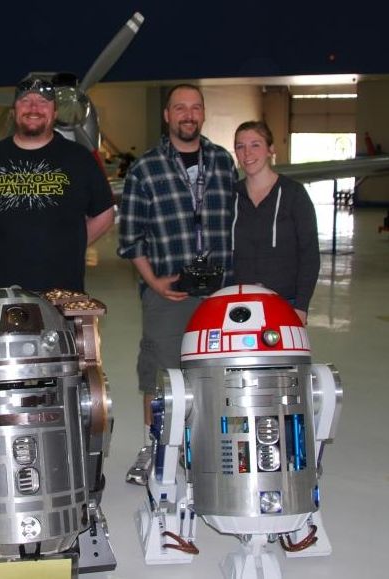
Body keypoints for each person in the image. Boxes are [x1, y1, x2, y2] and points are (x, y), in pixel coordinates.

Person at [118, 84, 237, 484]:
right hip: (167, 295)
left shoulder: (223, 162)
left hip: (218, 296)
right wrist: (154, 282)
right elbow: (130, 237)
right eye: (180, 108)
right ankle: (156, 448)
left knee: (215, 375)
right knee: (160, 378)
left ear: (203, 114)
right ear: (167, 115)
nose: (188, 114)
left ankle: (206, 448)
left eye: (195, 107)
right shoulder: (145, 168)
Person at [0, 76, 115, 292]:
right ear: (13, 111)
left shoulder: (79, 158)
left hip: (63, 292)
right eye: (25, 101)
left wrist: (71, 247)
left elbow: (105, 213)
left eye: (43, 102)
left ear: (55, 112)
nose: (33, 108)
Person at [232, 120, 320, 324]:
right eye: (240, 146)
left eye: (255, 145)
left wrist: (301, 306)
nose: (247, 153)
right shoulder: (231, 196)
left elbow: (310, 255)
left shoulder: (294, 194)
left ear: (270, 149)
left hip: (285, 302)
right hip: (239, 303)